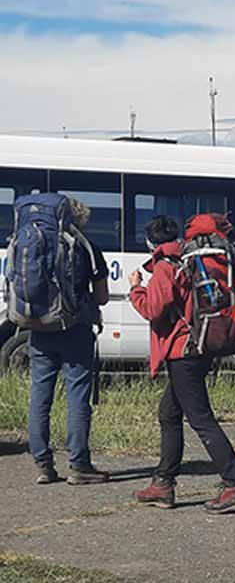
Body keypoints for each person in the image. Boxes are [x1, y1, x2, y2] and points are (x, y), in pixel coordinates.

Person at [130, 216, 235, 512]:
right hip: (198, 347)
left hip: (182, 351)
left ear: (151, 242)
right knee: (169, 414)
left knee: (200, 419)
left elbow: (153, 309)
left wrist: (136, 289)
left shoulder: (165, 266)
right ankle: (163, 484)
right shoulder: (187, 259)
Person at [27, 197, 110, 485]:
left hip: (39, 329)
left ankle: (42, 464)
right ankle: (79, 465)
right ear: (80, 219)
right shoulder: (86, 247)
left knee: (40, 397)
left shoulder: (31, 241)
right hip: (75, 329)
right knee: (77, 397)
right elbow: (101, 297)